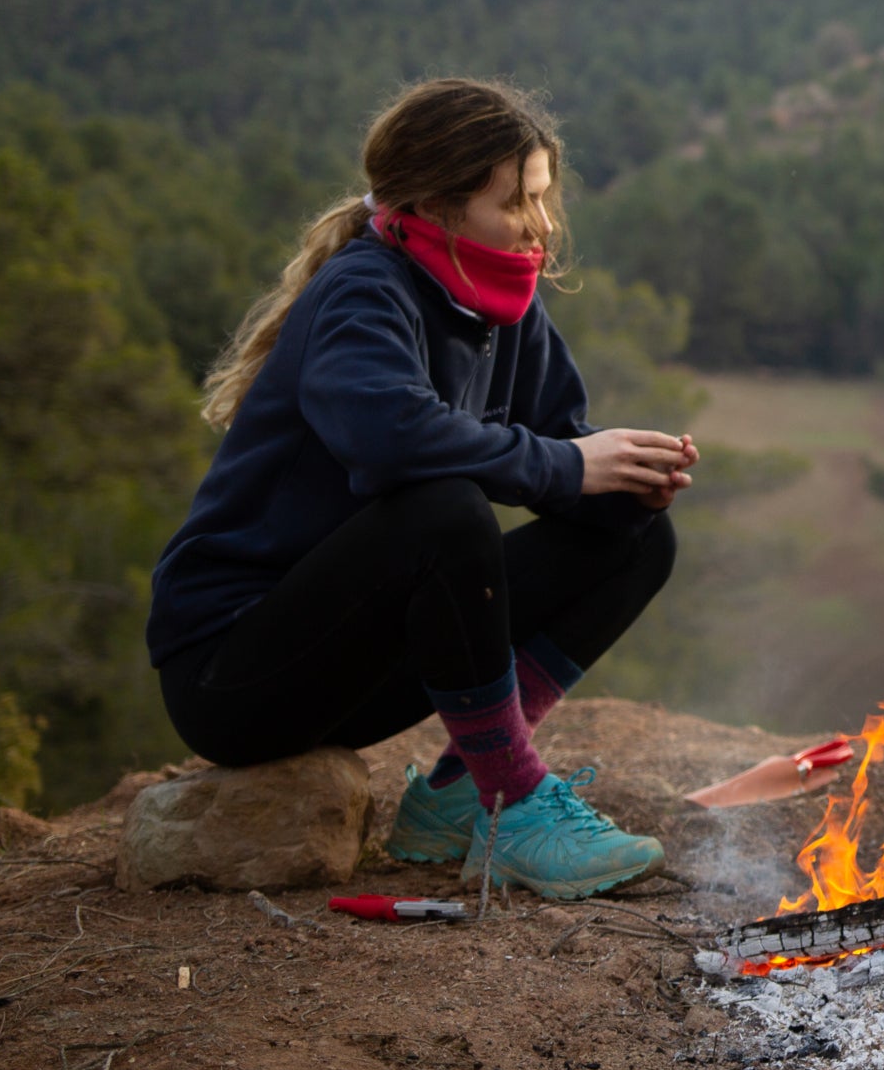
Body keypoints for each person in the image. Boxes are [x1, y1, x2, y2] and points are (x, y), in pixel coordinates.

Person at [149, 78, 696, 901]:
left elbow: (556, 442)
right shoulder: (365, 292)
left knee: (635, 535)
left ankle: (453, 791)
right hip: (234, 675)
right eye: (516, 203)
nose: (541, 227)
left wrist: (624, 479)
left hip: (355, 665)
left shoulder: (500, 301)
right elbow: (394, 441)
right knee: (441, 508)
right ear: (438, 207)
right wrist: (571, 464)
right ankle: (511, 799)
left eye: (543, 200)